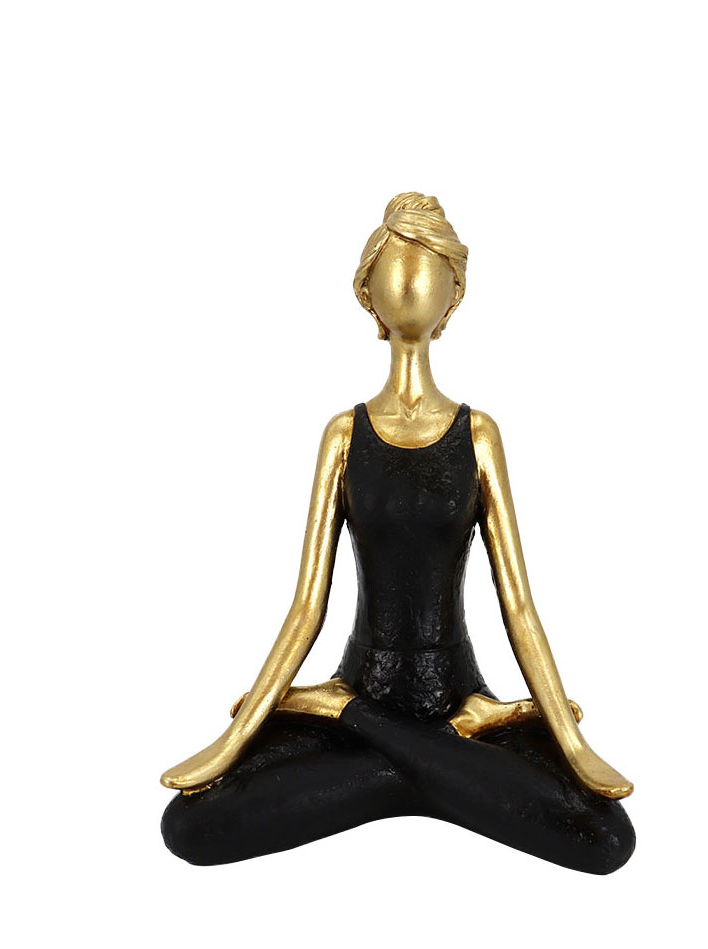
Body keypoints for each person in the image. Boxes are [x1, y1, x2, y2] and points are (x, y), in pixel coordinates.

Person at [160, 193, 636, 874]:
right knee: (193, 823)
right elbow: (306, 608)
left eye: (430, 261)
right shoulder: (344, 434)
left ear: (453, 294)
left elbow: (519, 606)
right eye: (398, 260)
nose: (412, 276)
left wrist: (570, 741)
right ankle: (435, 772)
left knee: (604, 837)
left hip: (456, 701)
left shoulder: (477, 434)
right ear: (369, 292)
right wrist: (233, 741)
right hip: (368, 682)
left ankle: (374, 737)